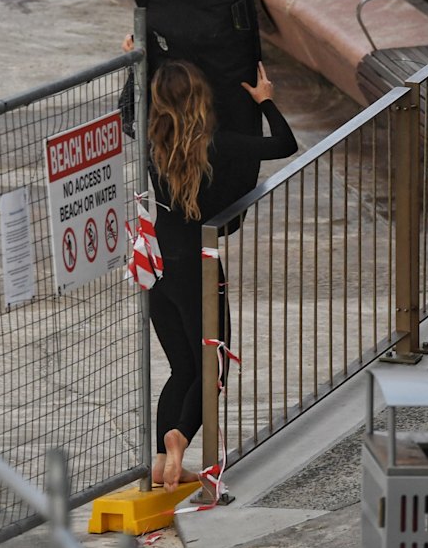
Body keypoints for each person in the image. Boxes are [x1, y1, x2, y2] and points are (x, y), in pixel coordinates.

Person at [123, 37, 298, 491]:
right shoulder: (215, 144)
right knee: (210, 366)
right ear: (202, 98)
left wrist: (134, 64)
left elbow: (127, 112)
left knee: (181, 367)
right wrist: (265, 102)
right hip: (197, 268)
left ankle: (164, 465)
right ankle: (181, 437)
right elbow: (284, 144)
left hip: (158, 266)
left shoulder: (150, 139)